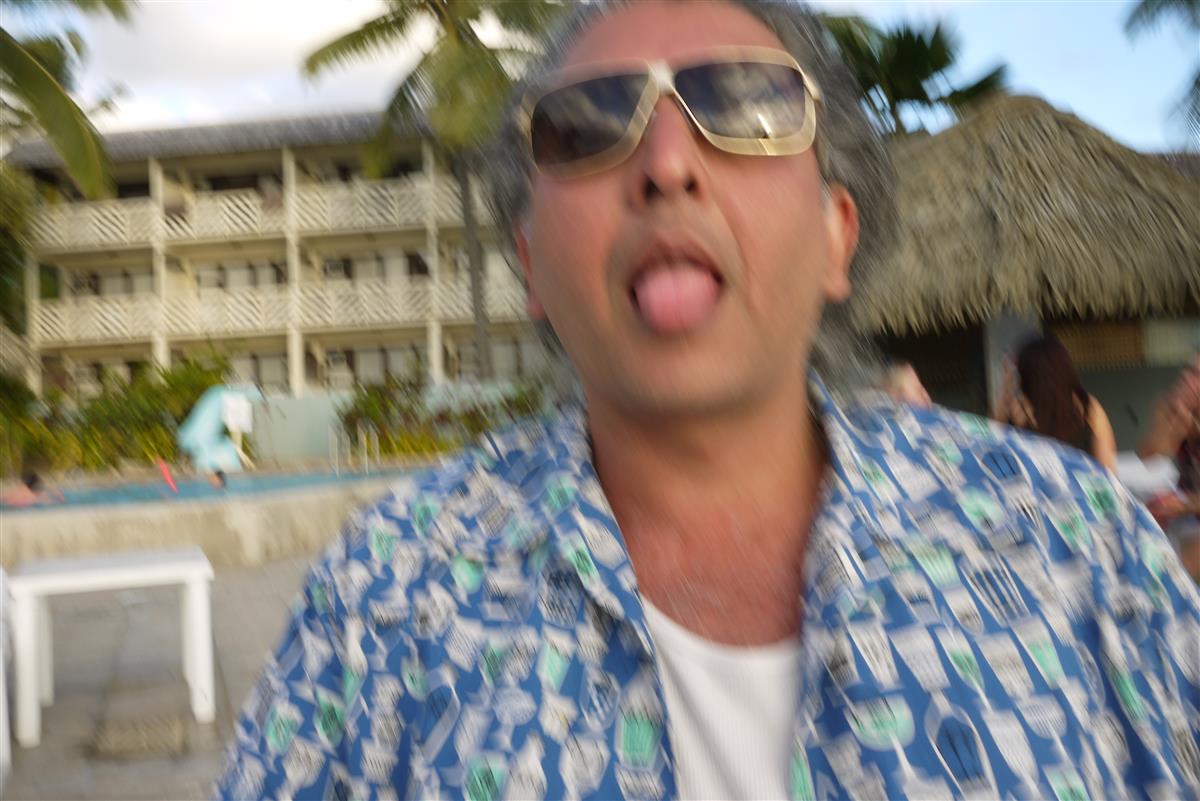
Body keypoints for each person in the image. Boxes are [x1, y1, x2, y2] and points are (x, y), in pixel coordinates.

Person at [216, 4, 1200, 800]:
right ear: (531, 263)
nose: (666, 165)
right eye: (588, 125)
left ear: (836, 235)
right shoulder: (381, 600)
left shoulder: (1072, 542)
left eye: (747, 105)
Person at [991, 333, 1118, 471]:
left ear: (1025, 375)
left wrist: (1006, 389)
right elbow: (1108, 469)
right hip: (1081, 484)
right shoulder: (1086, 407)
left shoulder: (1015, 410)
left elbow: (990, 451)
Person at [1140, 353, 1200, 580]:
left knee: (1180, 570)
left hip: (1191, 507)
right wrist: (1172, 419)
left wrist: (1182, 504)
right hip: (1188, 505)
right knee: (1140, 523)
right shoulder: (1180, 412)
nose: (1186, 377)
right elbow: (1149, 455)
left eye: (1196, 375)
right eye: (1188, 370)